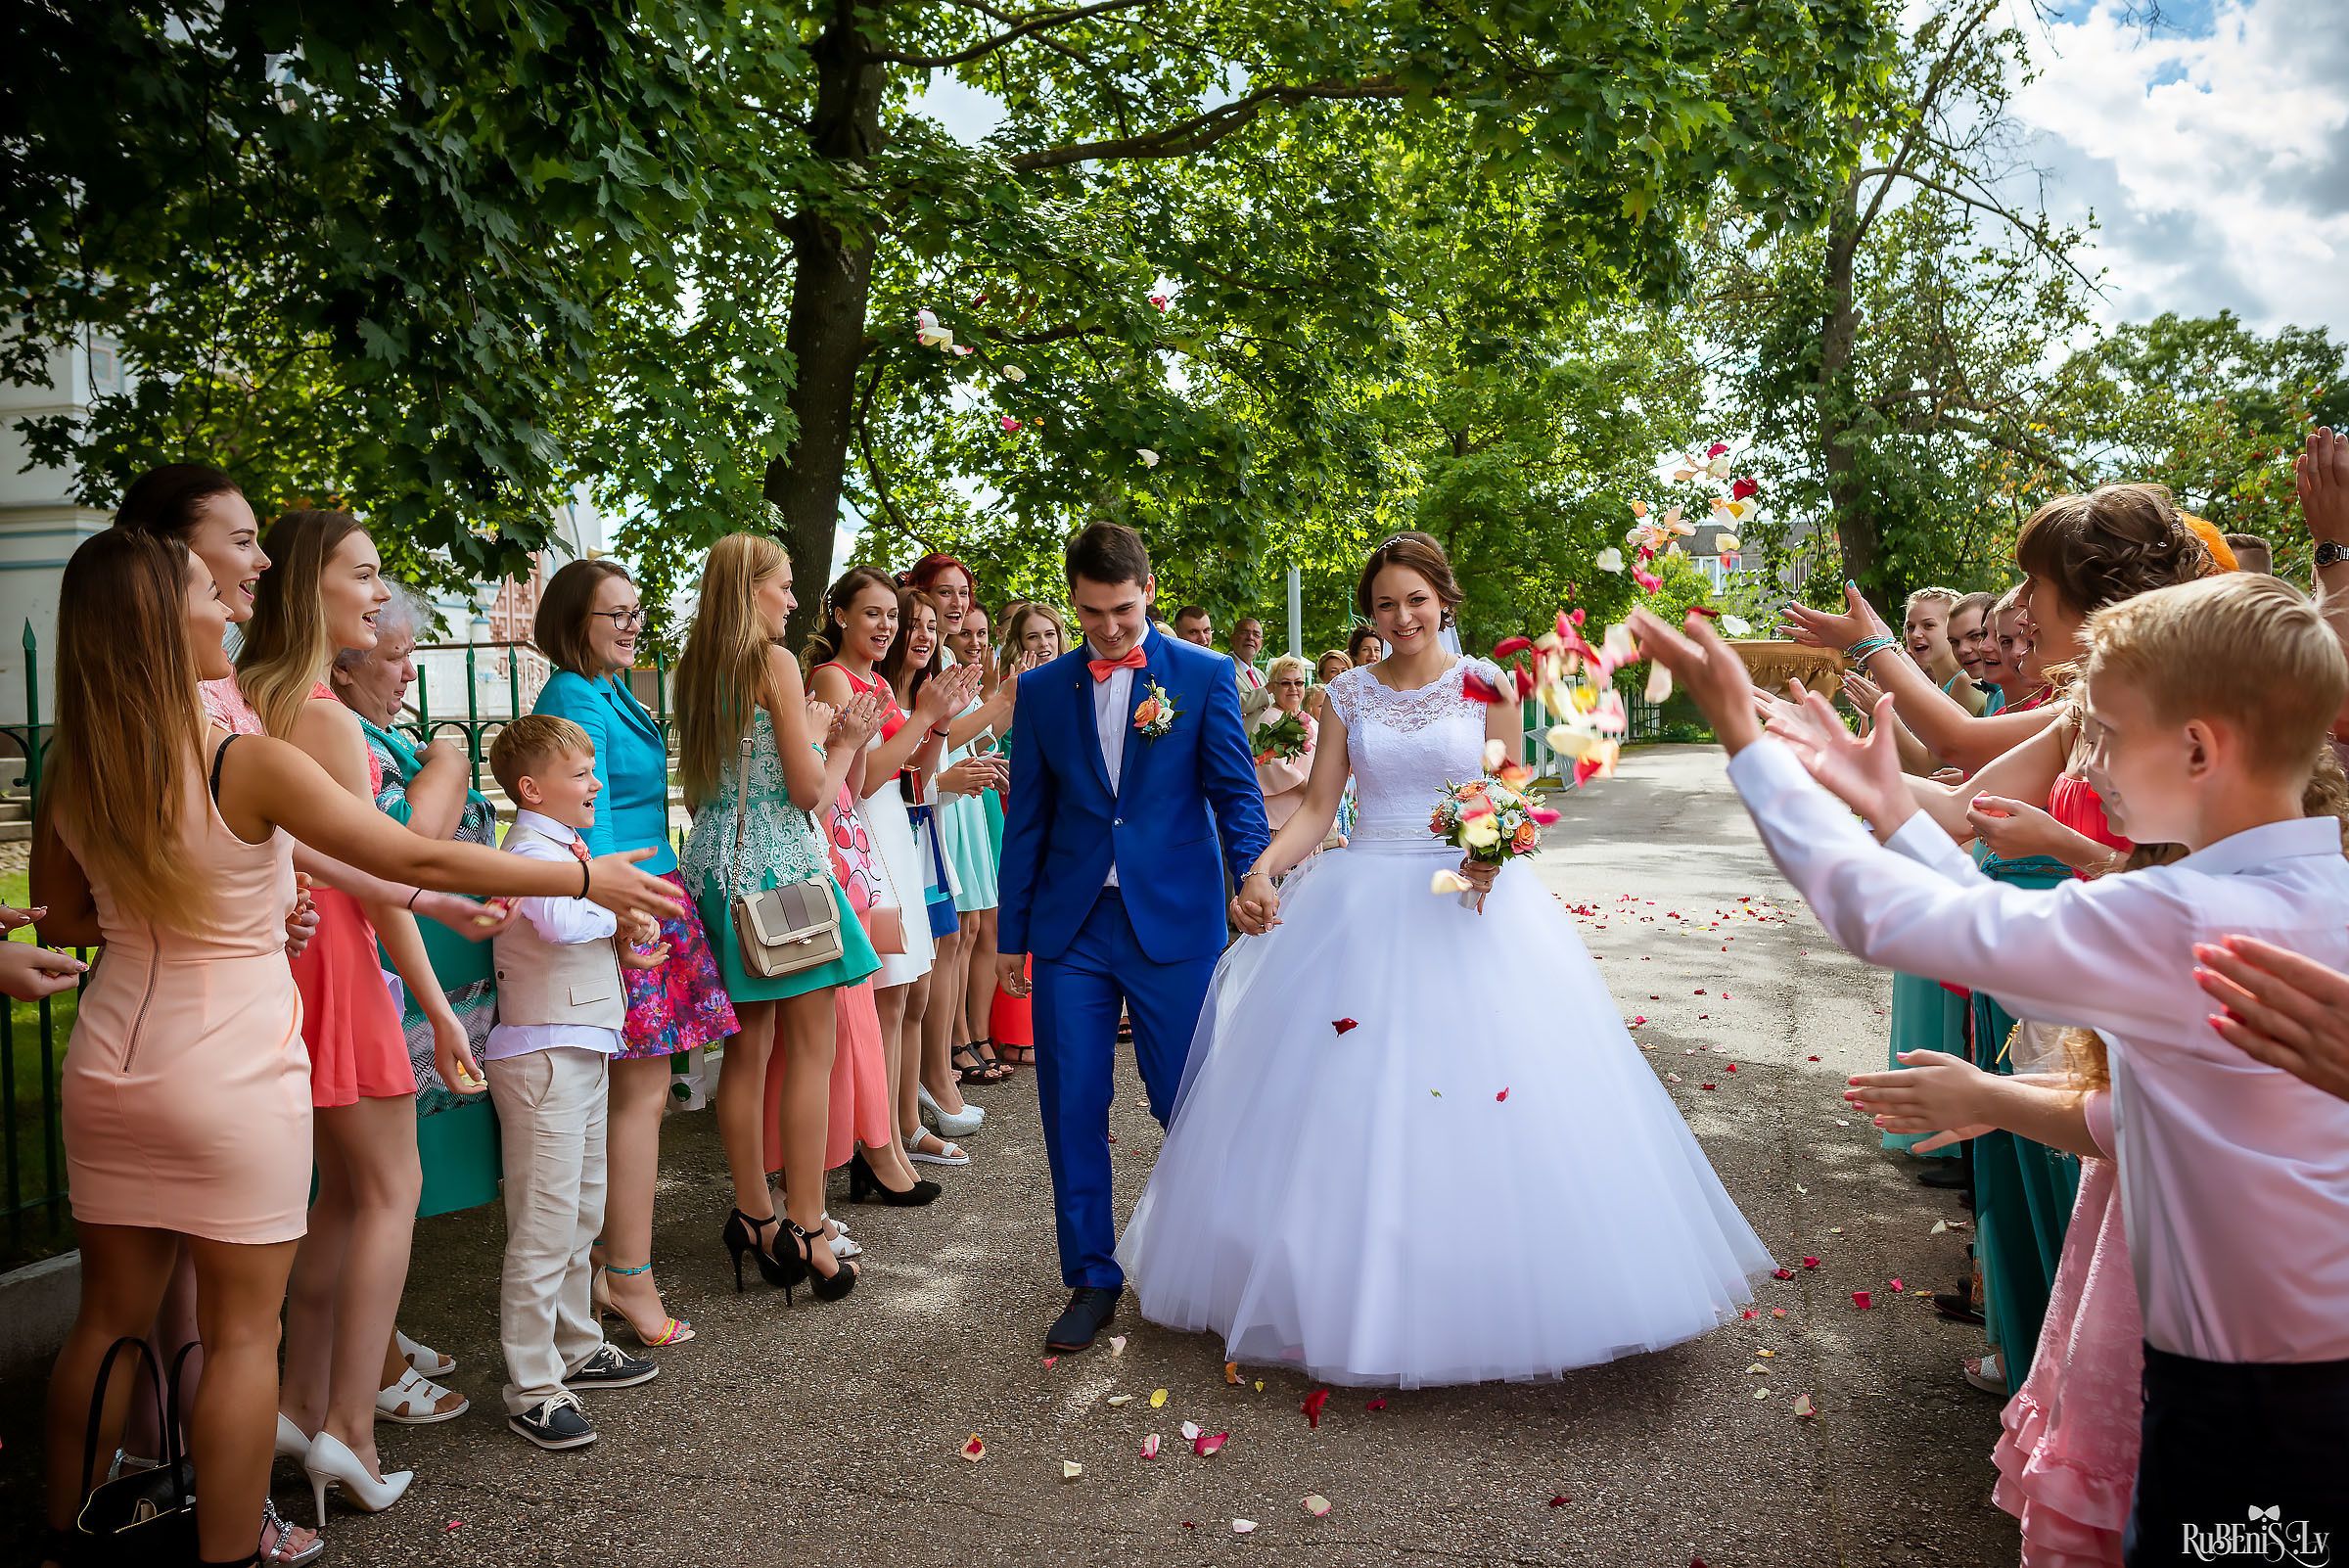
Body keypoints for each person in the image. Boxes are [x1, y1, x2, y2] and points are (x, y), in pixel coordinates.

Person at [1636, 572, 2349, 1553]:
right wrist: (1895, 809)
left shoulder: (2184, 914)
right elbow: (2028, 964)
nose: (2081, 765)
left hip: (2240, 1398)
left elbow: (1895, 919)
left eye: (2102, 731)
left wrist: (1749, 748)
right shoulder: (2318, 891)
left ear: (2196, 746)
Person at [31, 530, 680, 1568]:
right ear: (163, 622)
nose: (236, 608)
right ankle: (235, 1549)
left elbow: (66, 918)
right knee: (247, 1336)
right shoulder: (239, 757)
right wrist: (582, 878)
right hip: (231, 1065)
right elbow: (410, 847)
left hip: (110, 1061)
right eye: (211, 594)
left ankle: (64, 1536)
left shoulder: (80, 761)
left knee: (106, 1318)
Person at [1115, 530, 1772, 1385]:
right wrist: (1264, 866)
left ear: (1443, 600)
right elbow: (1319, 808)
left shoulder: (1485, 685)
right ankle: (1347, 1290)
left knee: (1492, 1091)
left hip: (1469, 903)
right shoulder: (1344, 693)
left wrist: (1494, 850)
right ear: (1370, 613)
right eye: (1384, 604)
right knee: (1352, 1096)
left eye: (1415, 600)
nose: (1401, 617)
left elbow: (1510, 789)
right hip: (1363, 897)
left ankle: (1501, 1285)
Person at [241, 510, 489, 1522]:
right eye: (366, 575)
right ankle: (350, 1424)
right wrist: (438, 1005)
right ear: (312, 588)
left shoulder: (255, 695)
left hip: (303, 963)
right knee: (389, 1191)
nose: (380, 596)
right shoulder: (326, 716)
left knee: (337, 1202)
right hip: (339, 964)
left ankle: (304, 1406)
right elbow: (386, 875)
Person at [991, 523, 1272, 1353]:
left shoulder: (1205, 674)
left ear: (1147, 588)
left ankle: (1217, 1263)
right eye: (1090, 614)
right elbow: (1027, 823)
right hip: (1072, 926)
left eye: (1120, 610)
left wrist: (1253, 873)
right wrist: (1014, 935)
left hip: (1175, 921)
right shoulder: (1043, 692)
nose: (1107, 629)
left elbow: (1236, 792)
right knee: (1071, 1103)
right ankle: (1090, 1277)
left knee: (1185, 1099)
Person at [531, 559, 739, 1348]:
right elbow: (592, 816)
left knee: (643, 1094)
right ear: (572, 624)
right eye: (611, 614)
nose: (630, 625)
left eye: (635, 611)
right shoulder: (573, 695)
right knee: (637, 1097)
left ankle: (614, 1270)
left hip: (648, 900)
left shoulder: (611, 690)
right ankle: (625, 1275)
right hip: (626, 906)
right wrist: (623, 915)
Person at [675, 534, 879, 1304]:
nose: (794, 602)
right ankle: (808, 1227)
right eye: (785, 587)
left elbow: (699, 796)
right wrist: (841, 737)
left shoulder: (697, 667)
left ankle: (754, 1217)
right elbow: (808, 794)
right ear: (750, 590)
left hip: (715, 873)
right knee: (812, 1055)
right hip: (780, 877)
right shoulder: (775, 663)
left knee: (747, 1056)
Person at [482, 715, 668, 1451]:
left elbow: (575, 929)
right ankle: (531, 1383)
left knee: (582, 1210)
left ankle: (576, 1343)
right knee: (544, 1225)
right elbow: (559, 924)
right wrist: (618, 906)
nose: (596, 783)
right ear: (532, 789)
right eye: (582, 773)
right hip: (544, 1058)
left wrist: (624, 937)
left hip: (580, 1048)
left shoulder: (567, 853)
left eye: (594, 770)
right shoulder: (530, 850)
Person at [806, 570, 982, 1167]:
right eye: (874, 615)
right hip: (863, 835)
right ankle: (876, 1144)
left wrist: (935, 721)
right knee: (884, 995)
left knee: (903, 992)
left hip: (891, 837)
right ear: (840, 617)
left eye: (890, 616)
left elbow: (914, 772)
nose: (886, 627)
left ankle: (897, 1130)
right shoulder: (833, 679)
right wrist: (919, 717)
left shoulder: (877, 680)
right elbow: (862, 777)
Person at [1248, 654, 1319, 834]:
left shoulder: (1308, 720)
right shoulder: (1270, 720)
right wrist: (1312, 791)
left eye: (1299, 683)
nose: (1293, 688)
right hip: (1281, 817)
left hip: (1308, 810)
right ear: (1274, 687)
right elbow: (1273, 766)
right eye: (1286, 683)